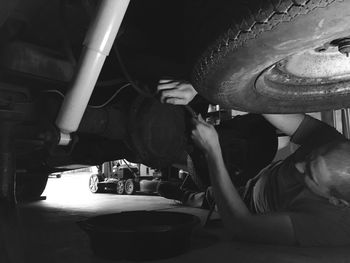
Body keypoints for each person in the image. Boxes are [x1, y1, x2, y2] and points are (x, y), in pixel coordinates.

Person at [157, 80, 350, 247]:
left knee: (207, 200)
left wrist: (212, 150)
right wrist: (205, 89)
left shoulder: (332, 226)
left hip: (250, 208)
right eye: (308, 157)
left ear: (336, 201)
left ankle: (189, 196)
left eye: (309, 173)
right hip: (259, 179)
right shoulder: (332, 142)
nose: (297, 166)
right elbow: (263, 105)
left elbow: (240, 225)